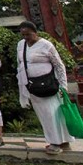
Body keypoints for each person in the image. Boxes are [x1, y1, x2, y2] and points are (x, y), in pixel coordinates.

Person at [16, 21, 73, 155]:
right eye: (23, 34)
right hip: (32, 85)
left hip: (48, 84)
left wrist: (63, 85)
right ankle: (58, 140)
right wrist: (22, 91)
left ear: (35, 32)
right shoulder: (21, 45)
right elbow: (20, 66)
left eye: (28, 34)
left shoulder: (46, 45)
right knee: (44, 115)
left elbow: (59, 65)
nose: (26, 37)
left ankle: (57, 142)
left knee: (53, 114)